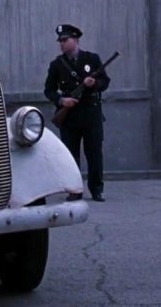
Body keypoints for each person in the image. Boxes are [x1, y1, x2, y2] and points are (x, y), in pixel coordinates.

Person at [44, 24, 110, 202]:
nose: (62, 44)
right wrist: (61, 101)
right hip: (69, 117)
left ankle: (97, 189)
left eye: (65, 40)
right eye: (60, 41)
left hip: (91, 114)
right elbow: (48, 90)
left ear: (75, 40)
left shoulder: (92, 59)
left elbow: (105, 81)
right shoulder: (57, 64)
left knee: (94, 153)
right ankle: (74, 189)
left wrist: (93, 84)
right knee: (70, 156)